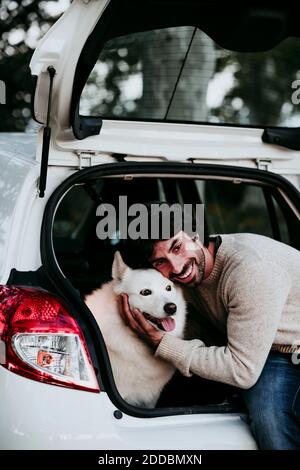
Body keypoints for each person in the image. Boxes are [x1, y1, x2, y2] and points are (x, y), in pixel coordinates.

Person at [117, 204, 300, 450]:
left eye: (177, 247)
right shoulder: (180, 281)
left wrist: (162, 343)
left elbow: (242, 370)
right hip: (249, 345)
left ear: (196, 235)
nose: (177, 267)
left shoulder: (251, 271)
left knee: (270, 416)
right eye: (161, 261)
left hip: (288, 351)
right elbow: (197, 329)